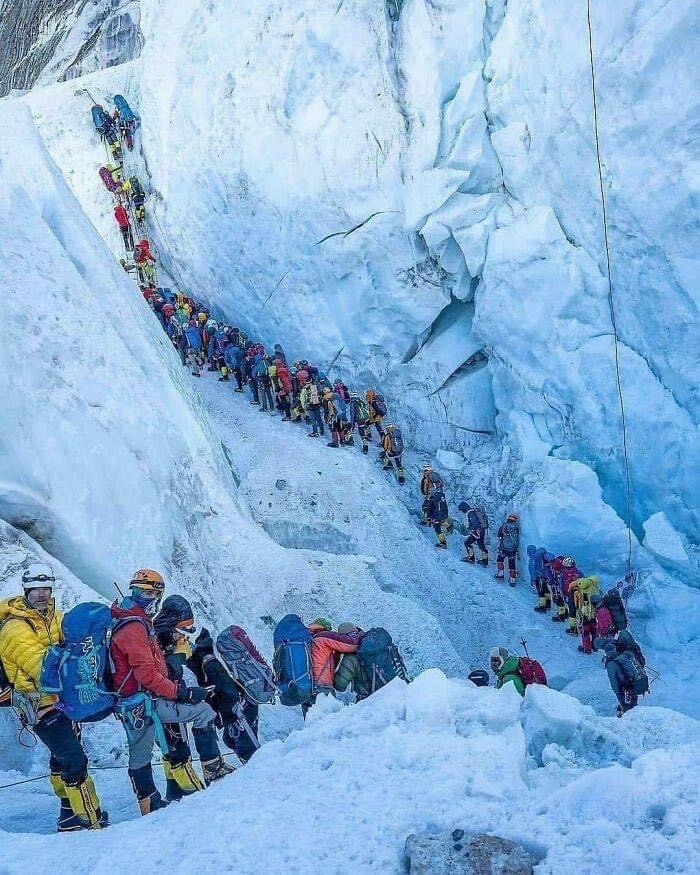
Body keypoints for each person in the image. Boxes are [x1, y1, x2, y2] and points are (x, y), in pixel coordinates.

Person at [0, 565, 107, 831]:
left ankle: (69, 815)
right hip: (38, 704)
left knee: (61, 758)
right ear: (26, 590)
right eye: (35, 589)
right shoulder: (15, 629)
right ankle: (89, 819)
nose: (41, 594)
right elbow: (42, 669)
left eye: (45, 589)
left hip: (59, 701)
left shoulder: (53, 616)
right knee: (74, 759)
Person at [109, 569, 222, 815]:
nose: (147, 598)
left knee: (142, 751)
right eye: (143, 592)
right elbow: (147, 675)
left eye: (151, 594)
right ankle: (210, 773)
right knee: (146, 749)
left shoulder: (133, 619)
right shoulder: (134, 626)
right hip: (141, 700)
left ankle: (151, 802)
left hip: (137, 699)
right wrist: (181, 693)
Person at [153, 597, 234, 797]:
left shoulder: (159, 635)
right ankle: (197, 788)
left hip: (162, 697)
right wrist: (179, 656)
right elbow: (159, 674)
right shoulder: (156, 639)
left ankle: (174, 790)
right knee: (180, 742)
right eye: (183, 629)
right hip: (159, 699)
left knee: (171, 745)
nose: (185, 634)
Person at [189, 628, 261, 764]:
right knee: (231, 740)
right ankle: (254, 767)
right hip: (241, 705)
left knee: (247, 748)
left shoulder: (208, 662)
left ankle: (259, 771)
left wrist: (227, 715)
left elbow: (227, 688)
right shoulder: (206, 657)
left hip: (239, 709)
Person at [304, 618, 359, 717]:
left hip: (305, 689)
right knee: (327, 723)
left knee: (311, 723)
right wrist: (358, 634)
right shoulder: (324, 636)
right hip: (322, 687)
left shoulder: (307, 639)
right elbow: (351, 644)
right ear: (326, 628)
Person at [597, 631, 648, 716]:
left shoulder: (611, 664)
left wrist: (620, 698)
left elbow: (614, 683)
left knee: (626, 695)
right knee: (632, 693)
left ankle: (628, 712)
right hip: (635, 677)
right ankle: (632, 707)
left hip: (626, 681)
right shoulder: (627, 650)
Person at [333, 623, 370, 701]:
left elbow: (340, 685)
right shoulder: (370, 644)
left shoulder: (350, 658)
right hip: (390, 690)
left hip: (370, 697)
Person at [572, 575, 600, 653]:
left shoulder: (580, 592)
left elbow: (576, 605)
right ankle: (595, 646)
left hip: (584, 615)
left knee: (585, 632)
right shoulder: (595, 588)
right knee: (594, 631)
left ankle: (586, 648)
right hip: (593, 614)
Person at [459, 501, 489, 565]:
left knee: (467, 543)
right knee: (481, 545)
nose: (462, 511)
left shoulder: (471, 513)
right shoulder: (474, 511)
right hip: (482, 530)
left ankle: (471, 558)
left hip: (477, 532)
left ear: (464, 508)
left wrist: (469, 528)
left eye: (462, 509)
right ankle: (485, 561)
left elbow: (475, 524)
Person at [527, 546, 555, 612]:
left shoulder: (534, 559)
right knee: (546, 589)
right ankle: (548, 604)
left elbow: (533, 570)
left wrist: (533, 579)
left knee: (541, 591)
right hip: (545, 577)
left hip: (539, 577)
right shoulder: (542, 556)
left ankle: (542, 606)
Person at [496, 514, 520, 585]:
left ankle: (500, 574)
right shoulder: (516, 528)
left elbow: (499, 535)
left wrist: (501, 541)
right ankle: (512, 580)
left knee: (500, 560)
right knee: (512, 564)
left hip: (504, 548)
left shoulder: (504, 526)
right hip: (513, 549)